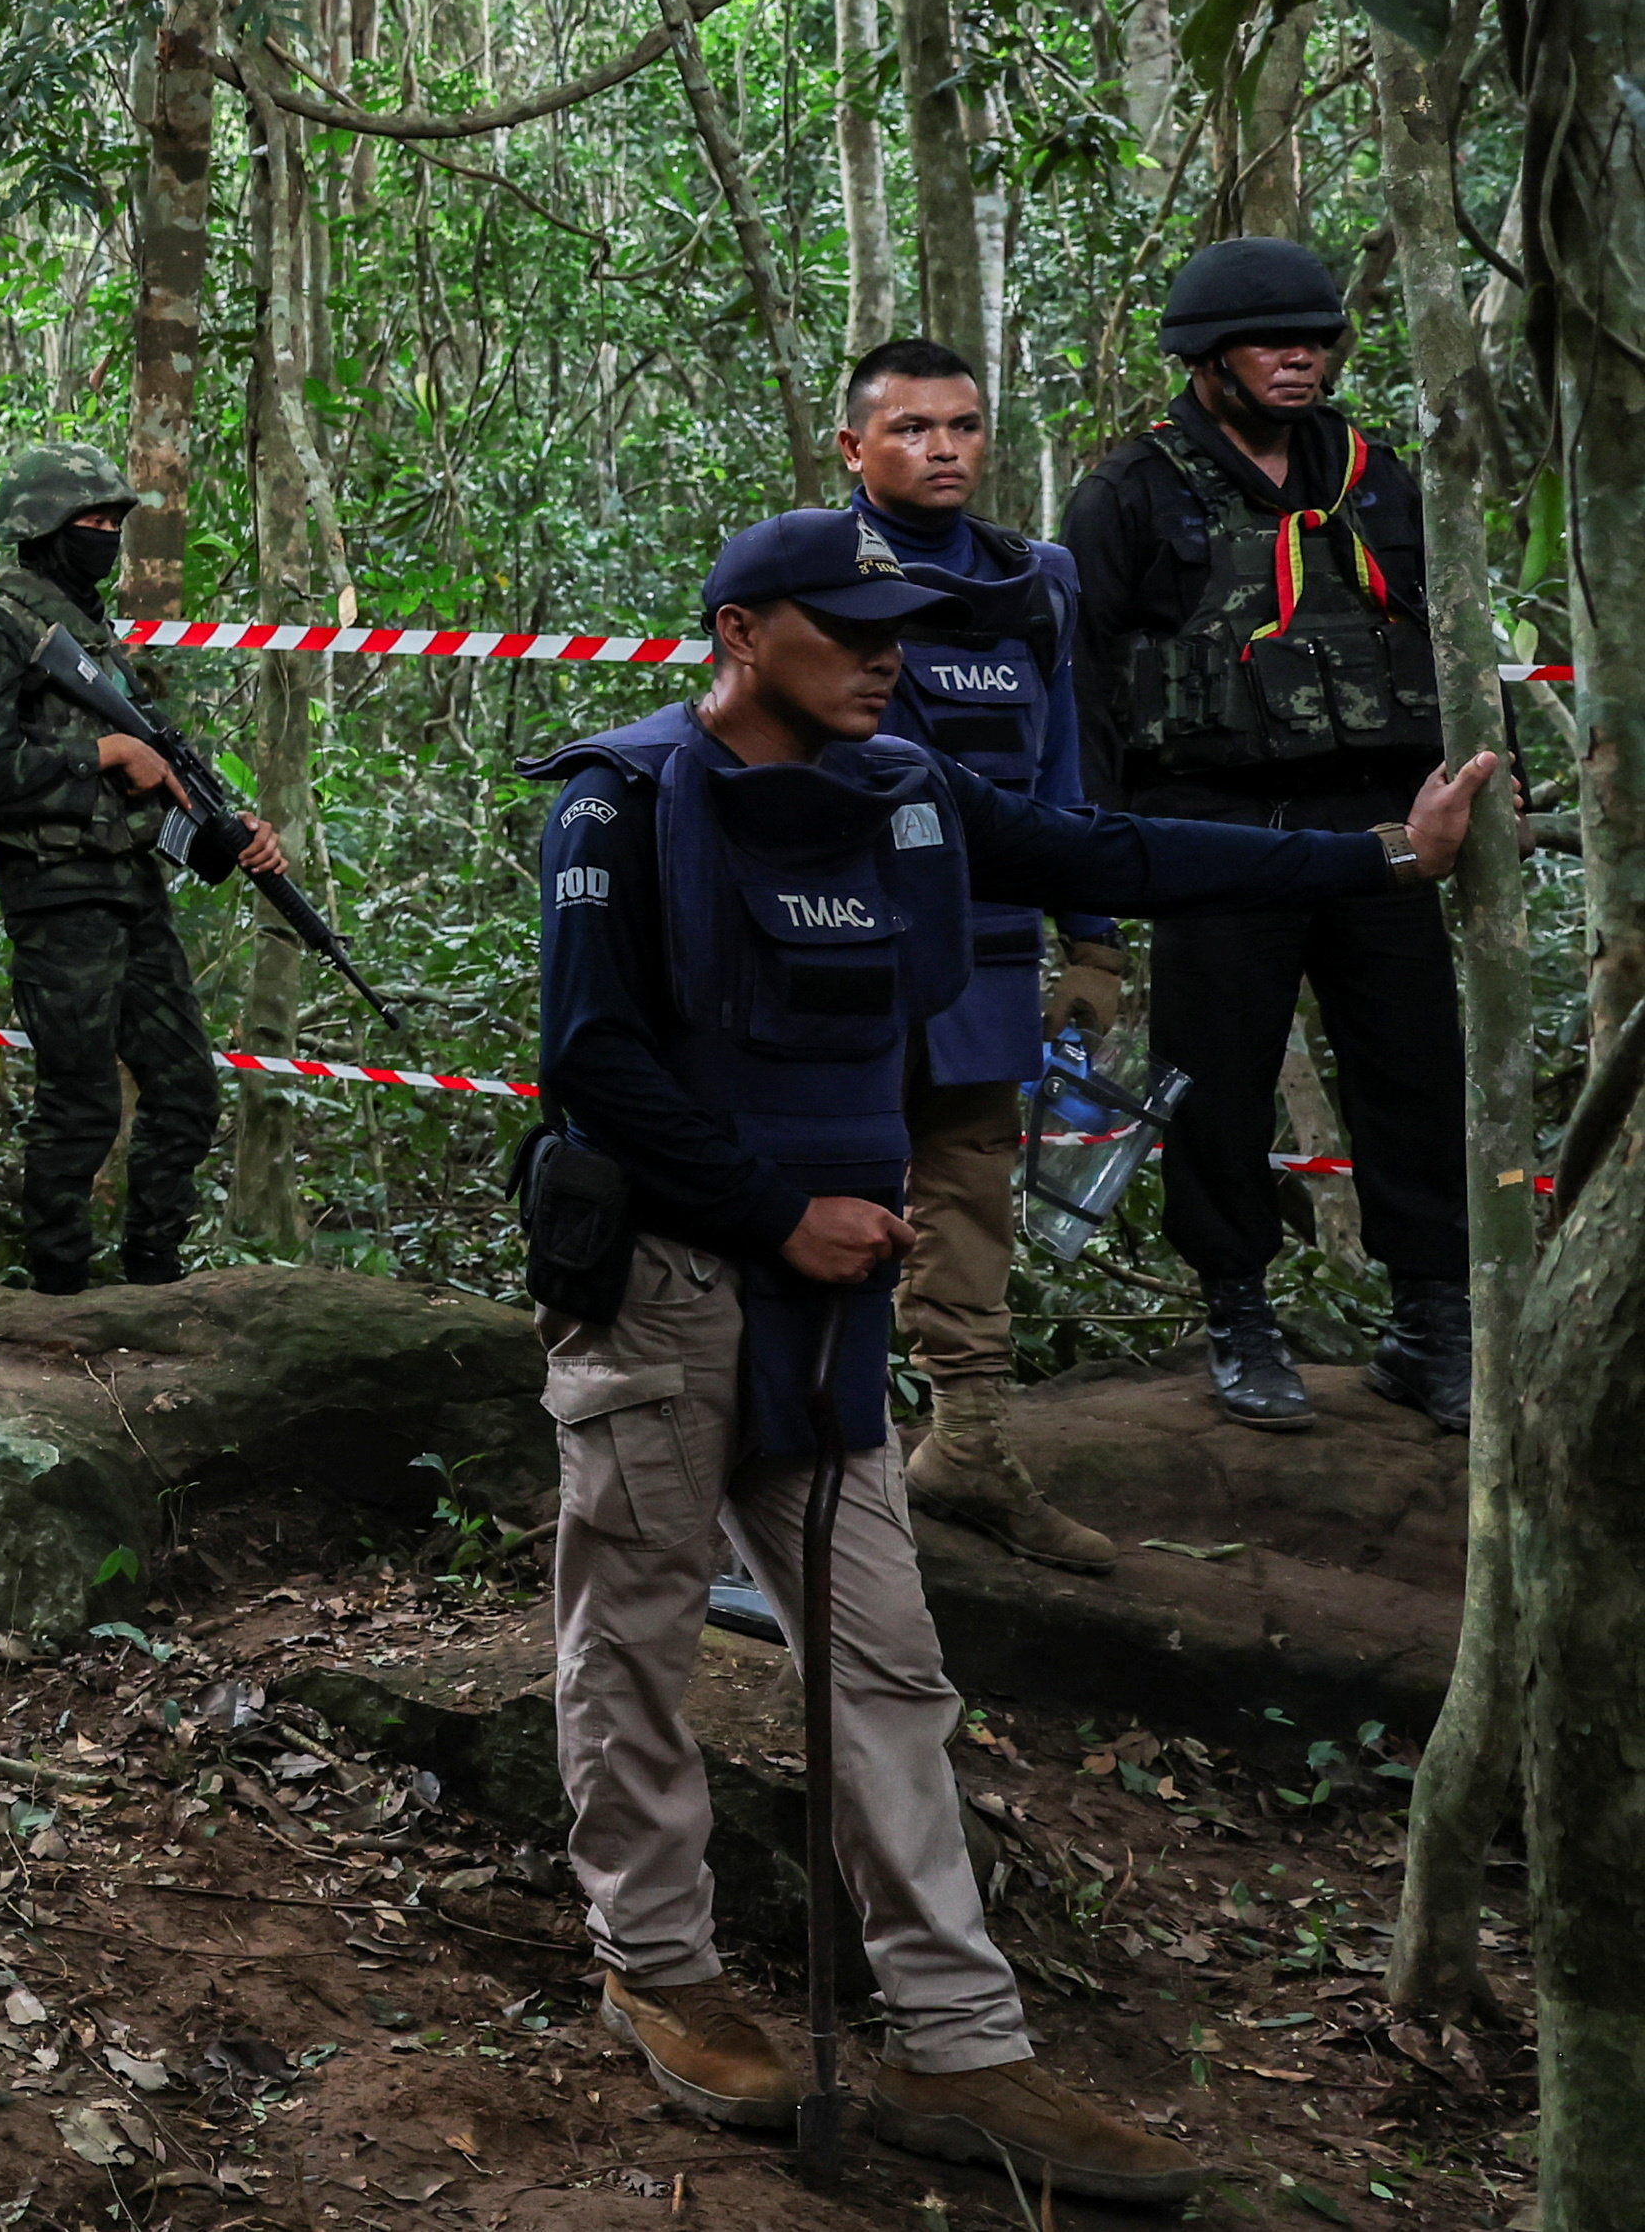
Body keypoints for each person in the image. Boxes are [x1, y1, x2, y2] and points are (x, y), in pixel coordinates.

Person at [520, 508, 1495, 2202]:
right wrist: (773, 1207)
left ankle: (959, 2045)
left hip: (832, 1303)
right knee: (638, 1639)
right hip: (676, 1285)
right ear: (744, 632)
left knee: (888, 1662)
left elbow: (1109, 851)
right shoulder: (621, 800)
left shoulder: (907, 786)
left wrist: (1376, 857)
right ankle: (657, 1968)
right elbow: (596, 1059)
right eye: (849, 627)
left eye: (902, 626)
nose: (888, 652)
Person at [1058, 239, 1473, 1432]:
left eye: (1315, 339)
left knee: (1411, 1068)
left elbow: (1446, 642)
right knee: (1215, 1082)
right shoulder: (1129, 492)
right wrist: (1089, 869)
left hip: (1379, 827)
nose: (1297, 357)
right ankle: (1236, 1311)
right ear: (1202, 357)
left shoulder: (1376, 477)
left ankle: (1427, 1321)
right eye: (1267, 341)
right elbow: (1080, 684)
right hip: (1207, 826)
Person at [835, 340, 1120, 1569]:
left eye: (960, 426)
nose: (941, 447)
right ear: (851, 447)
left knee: (967, 1199)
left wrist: (1093, 941)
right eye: (909, 428)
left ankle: (966, 1447)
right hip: (837, 946)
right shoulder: (800, 569)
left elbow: (1061, 767)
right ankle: (797, 1472)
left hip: (986, 945)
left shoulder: (1037, 582)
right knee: (818, 1198)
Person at [0, 444, 286, 1292]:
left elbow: (159, 789)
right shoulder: (0, 633)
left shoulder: (99, 643)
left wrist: (230, 830)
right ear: (41, 529)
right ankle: (59, 1293)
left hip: (134, 892)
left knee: (187, 1093)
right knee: (82, 1104)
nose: (104, 536)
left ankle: (151, 1283)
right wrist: (101, 751)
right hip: (58, 901)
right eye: (88, 522)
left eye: (111, 523)